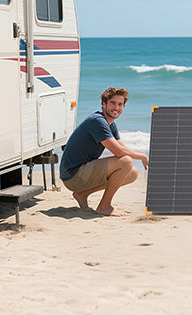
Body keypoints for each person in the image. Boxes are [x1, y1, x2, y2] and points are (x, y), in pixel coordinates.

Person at [59, 86, 149, 217]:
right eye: (113, 103)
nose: (116, 107)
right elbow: (119, 152)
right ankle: (104, 206)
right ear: (104, 103)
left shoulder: (110, 124)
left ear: (124, 107)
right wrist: (142, 156)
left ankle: (83, 194)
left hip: (81, 173)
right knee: (125, 162)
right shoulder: (97, 121)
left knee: (132, 173)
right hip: (73, 175)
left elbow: (122, 148)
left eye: (120, 104)